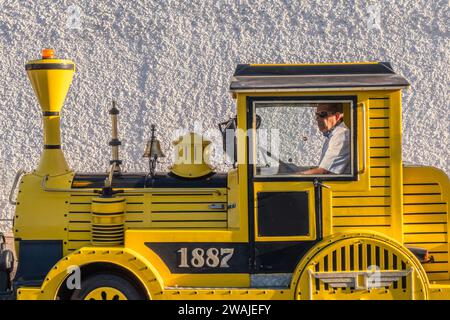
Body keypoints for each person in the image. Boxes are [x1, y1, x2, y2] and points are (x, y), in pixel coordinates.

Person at [300, 103, 351, 175]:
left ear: (336, 116)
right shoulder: (331, 135)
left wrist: (292, 176)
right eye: (316, 115)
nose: (318, 119)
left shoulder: (341, 136)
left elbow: (324, 171)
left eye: (322, 114)